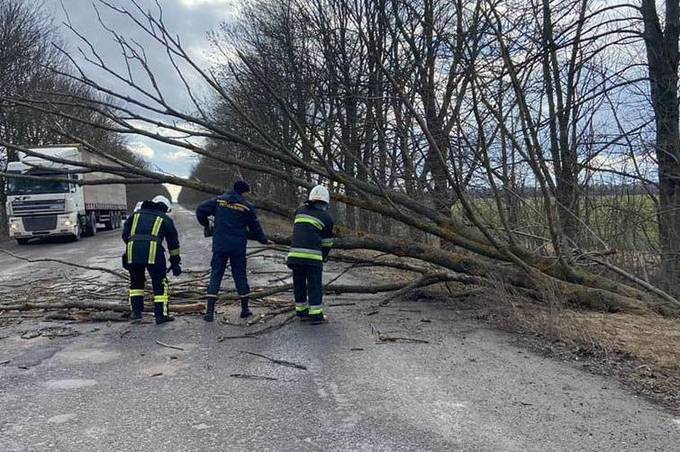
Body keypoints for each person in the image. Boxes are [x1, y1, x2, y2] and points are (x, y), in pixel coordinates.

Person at [196, 180, 269, 322]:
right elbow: (255, 227)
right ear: (243, 192)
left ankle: (209, 312)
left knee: (216, 275)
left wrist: (206, 224)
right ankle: (245, 309)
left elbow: (200, 210)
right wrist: (263, 240)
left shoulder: (218, 201)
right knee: (240, 276)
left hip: (220, 246)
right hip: (237, 247)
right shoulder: (246, 207)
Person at [122, 195, 182, 325]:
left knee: (136, 283)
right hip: (154, 253)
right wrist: (175, 262)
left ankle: (136, 313)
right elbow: (173, 243)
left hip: (133, 252)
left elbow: (124, 234)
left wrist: (133, 247)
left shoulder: (135, 215)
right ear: (165, 208)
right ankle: (161, 315)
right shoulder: (164, 219)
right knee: (160, 283)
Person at [286, 185, 334, 322]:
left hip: (294, 256)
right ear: (325, 202)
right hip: (313, 257)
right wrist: (323, 257)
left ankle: (301, 312)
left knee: (299, 284)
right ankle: (316, 315)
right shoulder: (326, 218)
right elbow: (327, 242)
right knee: (314, 285)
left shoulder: (299, 211)